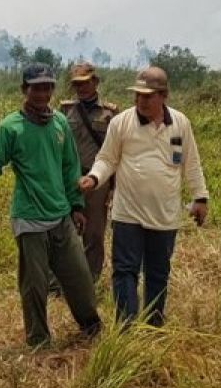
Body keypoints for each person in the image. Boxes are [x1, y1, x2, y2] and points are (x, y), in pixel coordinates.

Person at [0, 62, 102, 347]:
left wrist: (77, 206)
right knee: (35, 286)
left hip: (61, 216)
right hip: (29, 218)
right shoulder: (10, 127)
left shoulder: (59, 123)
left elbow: (70, 167)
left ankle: (92, 328)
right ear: (24, 90)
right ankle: (39, 340)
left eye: (47, 87)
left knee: (79, 278)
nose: (43, 93)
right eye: (36, 88)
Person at [78, 66, 208, 327]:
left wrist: (200, 198)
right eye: (137, 95)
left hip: (164, 216)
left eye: (148, 96)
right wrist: (94, 178)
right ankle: (126, 327)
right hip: (128, 213)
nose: (141, 101)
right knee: (125, 270)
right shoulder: (121, 122)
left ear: (164, 96)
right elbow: (106, 159)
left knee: (158, 273)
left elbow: (191, 163)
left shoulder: (180, 123)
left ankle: (153, 326)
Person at [59, 62, 118, 283]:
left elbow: (115, 153)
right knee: (66, 231)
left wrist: (114, 187)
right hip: (70, 180)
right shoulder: (65, 111)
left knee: (93, 233)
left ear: (95, 82)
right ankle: (66, 280)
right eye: (76, 84)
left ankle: (90, 280)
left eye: (85, 83)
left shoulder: (109, 113)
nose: (81, 88)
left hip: (97, 181)